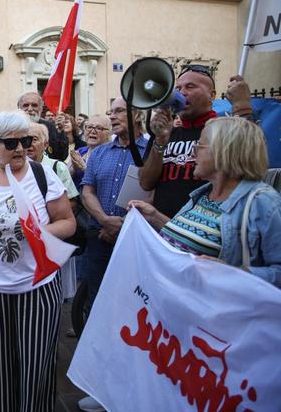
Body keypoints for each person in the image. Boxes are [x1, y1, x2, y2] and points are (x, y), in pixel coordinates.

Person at [0, 110, 76, 411]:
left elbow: (68, 222)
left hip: (37, 286)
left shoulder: (41, 174)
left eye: (25, 140)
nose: (20, 148)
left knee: (37, 367)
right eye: (11, 143)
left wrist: (37, 230)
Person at [130, 117, 281, 288]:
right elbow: (194, 238)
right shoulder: (204, 193)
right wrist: (155, 217)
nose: (192, 152)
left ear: (224, 151)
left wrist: (233, 273)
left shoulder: (263, 202)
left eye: (199, 146)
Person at [77, 98, 147, 412]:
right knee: (98, 307)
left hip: (137, 242)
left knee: (134, 311)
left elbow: (154, 190)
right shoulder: (100, 152)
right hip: (100, 240)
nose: (112, 116)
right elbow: (86, 190)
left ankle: (133, 383)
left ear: (138, 115)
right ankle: (101, 385)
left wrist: (124, 226)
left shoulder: (151, 152)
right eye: (112, 111)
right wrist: (105, 220)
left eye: (118, 111)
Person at [139, 68, 253, 217]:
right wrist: (160, 142)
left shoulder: (224, 131)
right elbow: (146, 183)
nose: (182, 93)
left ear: (212, 95)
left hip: (206, 227)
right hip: (162, 229)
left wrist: (242, 105)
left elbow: (248, 164)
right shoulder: (166, 133)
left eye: (190, 87)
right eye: (178, 89)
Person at [17, 91, 69, 160]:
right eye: (26, 105)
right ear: (19, 108)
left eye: (34, 105)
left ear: (41, 109)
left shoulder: (50, 127)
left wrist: (61, 132)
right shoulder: (11, 128)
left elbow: (61, 156)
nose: (30, 109)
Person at [69, 114, 111, 189]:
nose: (93, 131)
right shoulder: (80, 151)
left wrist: (84, 168)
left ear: (109, 132)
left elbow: (106, 183)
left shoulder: (111, 155)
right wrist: (73, 169)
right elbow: (65, 180)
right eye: (89, 127)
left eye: (99, 128)